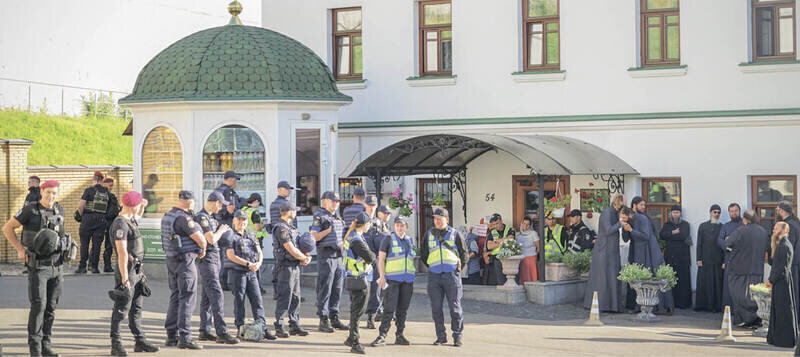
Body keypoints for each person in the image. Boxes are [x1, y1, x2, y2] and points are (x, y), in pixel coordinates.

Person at [2, 180, 69, 356]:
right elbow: (8, 228)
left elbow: (59, 235)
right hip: (38, 266)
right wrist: (19, 249)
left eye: (54, 193)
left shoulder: (59, 209)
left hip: (57, 266)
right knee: (39, 306)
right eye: (48, 192)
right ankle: (35, 350)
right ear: (42, 191)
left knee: (51, 308)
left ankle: (46, 346)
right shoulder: (30, 209)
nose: (51, 196)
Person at [108, 191, 160, 356]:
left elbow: (137, 214)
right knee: (121, 309)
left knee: (136, 308)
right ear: (133, 206)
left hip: (136, 270)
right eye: (138, 205)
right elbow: (122, 252)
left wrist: (142, 205)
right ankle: (116, 344)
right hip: (127, 271)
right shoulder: (120, 224)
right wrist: (125, 279)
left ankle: (140, 340)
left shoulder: (130, 219)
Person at [161, 190, 207, 349]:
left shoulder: (168, 215)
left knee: (175, 296)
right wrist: (203, 248)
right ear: (189, 202)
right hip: (185, 261)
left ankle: (171, 336)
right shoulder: (183, 218)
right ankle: (185, 337)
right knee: (187, 298)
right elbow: (200, 239)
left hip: (171, 260)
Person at [226, 209, 279, 341]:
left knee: (257, 300)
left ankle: (262, 327)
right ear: (234, 221)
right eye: (239, 220)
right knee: (239, 301)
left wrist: (259, 263)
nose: (242, 222)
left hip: (252, 272)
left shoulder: (251, 234)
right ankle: (240, 328)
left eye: (244, 220)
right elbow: (231, 255)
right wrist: (248, 264)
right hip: (238, 272)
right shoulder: (230, 235)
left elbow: (259, 251)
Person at [194, 192, 238, 344]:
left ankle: (204, 330)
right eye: (220, 205)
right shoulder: (202, 217)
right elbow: (211, 239)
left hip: (215, 258)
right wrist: (222, 231)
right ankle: (222, 332)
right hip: (207, 260)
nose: (221, 208)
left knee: (207, 296)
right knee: (217, 294)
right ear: (215, 202)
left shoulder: (211, 218)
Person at [420, 208, 468, 347]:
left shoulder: (455, 234)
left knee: (455, 308)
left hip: (451, 275)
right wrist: (433, 266)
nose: (437, 221)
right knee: (436, 308)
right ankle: (441, 336)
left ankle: (457, 336)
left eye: (439, 219)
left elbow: (464, 254)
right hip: (434, 276)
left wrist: (455, 269)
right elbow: (424, 254)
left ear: (447, 219)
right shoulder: (428, 234)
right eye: (435, 219)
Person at [371, 216, 415, 347]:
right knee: (389, 309)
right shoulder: (388, 239)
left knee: (402, 310)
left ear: (406, 227)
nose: (399, 228)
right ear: (394, 226)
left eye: (402, 226)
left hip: (407, 281)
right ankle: (382, 335)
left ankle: (400, 335)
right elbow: (381, 259)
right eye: (397, 225)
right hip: (392, 280)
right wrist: (382, 276)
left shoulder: (410, 240)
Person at [310, 191, 348, 333]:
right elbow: (314, 236)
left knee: (337, 289)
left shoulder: (336, 216)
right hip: (326, 256)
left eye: (337, 201)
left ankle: (334, 316)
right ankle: (323, 319)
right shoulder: (319, 216)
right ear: (324, 201)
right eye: (333, 201)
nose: (336, 203)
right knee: (325, 289)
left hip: (338, 256)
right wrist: (328, 231)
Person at [272, 201, 311, 339]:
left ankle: (294, 324)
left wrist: (306, 256)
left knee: (295, 297)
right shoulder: (281, 228)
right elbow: (290, 248)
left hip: (294, 265)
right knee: (285, 296)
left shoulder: (291, 228)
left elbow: (298, 245)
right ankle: (279, 326)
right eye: (294, 210)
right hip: (285, 267)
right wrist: (304, 258)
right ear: (289, 212)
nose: (296, 213)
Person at [725, 209, 770, 328]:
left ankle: (744, 319)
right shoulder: (763, 231)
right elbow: (767, 247)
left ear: (745, 219)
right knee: (755, 296)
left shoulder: (741, 230)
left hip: (739, 268)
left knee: (739, 295)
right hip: (757, 269)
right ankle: (756, 319)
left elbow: (728, 243)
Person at [629, 196, 674, 314]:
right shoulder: (639, 217)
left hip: (647, 250)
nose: (643, 207)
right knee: (653, 275)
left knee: (649, 275)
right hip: (647, 249)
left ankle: (654, 306)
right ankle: (660, 306)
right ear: (634, 205)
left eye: (644, 205)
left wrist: (630, 230)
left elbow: (645, 235)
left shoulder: (641, 217)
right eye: (641, 205)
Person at [583, 194, 626, 312]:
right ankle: (602, 305)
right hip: (604, 250)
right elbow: (608, 230)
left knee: (612, 276)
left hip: (611, 250)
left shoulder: (615, 213)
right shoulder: (607, 212)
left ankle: (612, 305)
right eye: (624, 202)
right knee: (603, 278)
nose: (625, 205)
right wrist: (620, 223)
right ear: (619, 202)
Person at [342, 212, 376, 354]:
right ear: (365, 224)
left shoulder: (352, 236)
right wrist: (370, 255)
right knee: (357, 312)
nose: (370, 226)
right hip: (359, 279)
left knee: (355, 310)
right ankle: (355, 343)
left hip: (355, 277)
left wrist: (368, 256)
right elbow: (371, 257)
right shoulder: (356, 240)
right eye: (369, 223)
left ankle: (351, 338)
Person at [766, 221, 797, 348]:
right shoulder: (780, 245)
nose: (773, 230)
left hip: (782, 283)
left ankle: (785, 340)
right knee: (777, 310)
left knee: (783, 310)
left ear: (784, 230)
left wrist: (771, 280)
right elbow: (774, 263)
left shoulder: (785, 246)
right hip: (779, 282)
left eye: (776, 228)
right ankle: (776, 338)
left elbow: (782, 268)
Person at [76, 171, 113, 274]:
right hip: (101, 220)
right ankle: (94, 267)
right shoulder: (107, 193)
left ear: (94, 179)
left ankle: (82, 267)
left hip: (87, 219)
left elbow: (80, 206)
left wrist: (82, 216)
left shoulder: (89, 190)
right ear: (102, 180)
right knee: (97, 245)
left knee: (84, 244)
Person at [659, 205, 693, 309]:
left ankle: (683, 304)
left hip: (683, 258)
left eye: (677, 212)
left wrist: (670, 236)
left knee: (683, 281)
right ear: (671, 214)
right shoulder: (667, 225)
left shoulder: (685, 224)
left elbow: (683, 235)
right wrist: (673, 232)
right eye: (674, 213)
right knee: (671, 280)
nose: (675, 215)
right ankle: (671, 303)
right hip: (670, 257)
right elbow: (662, 235)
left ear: (680, 214)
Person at [269, 180, 297, 299]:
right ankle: (286, 292)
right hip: (285, 234)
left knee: (278, 265)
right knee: (284, 267)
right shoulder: (285, 204)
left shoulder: (273, 204)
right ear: (280, 189)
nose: (289, 191)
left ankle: (278, 291)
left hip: (277, 236)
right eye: (287, 189)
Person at [695, 204, 724, 312]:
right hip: (705, 260)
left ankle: (716, 306)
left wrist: (724, 261)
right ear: (710, 213)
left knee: (717, 284)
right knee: (705, 283)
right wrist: (698, 259)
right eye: (715, 212)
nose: (716, 214)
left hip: (717, 260)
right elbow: (699, 243)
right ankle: (703, 306)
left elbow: (724, 245)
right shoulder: (703, 226)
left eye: (718, 212)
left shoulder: (722, 227)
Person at [365, 200, 389, 329]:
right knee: (370, 290)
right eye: (370, 205)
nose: (372, 207)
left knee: (379, 288)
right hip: (366, 260)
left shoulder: (380, 224)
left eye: (374, 205)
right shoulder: (363, 220)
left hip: (378, 260)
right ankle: (371, 315)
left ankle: (376, 312)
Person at [215, 170, 241, 291]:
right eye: (235, 181)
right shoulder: (226, 192)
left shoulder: (219, 190)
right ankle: (222, 282)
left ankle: (222, 281)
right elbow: (229, 210)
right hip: (226, 224)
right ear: (230, 180)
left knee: (223, 253)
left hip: (221, 225)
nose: (236, 183)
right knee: (226, 253)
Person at [717, 203, 743, 309]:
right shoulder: (726, 226)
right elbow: (719, 240)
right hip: (729, 258)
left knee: (740, 284)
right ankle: (728, 308)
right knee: (728, 284)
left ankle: (740, 308)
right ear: (729, 213)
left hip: (742, 259)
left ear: (739, 211)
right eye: (731, 211)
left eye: (736, 211)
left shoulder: (745, 224)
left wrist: (730, 240)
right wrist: (727, 247)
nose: (734, 213)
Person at [777, 200, 800, 316]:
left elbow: (788, 247)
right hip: (796, 262)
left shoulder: (788, 225)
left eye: (777, 210)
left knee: (792, 293)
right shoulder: (796, 223)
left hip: (792, 264)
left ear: (781, 211)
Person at [241, 193, 267, 293]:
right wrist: (263, 224)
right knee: (256, 264)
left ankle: (247, 287)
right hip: (255, 240)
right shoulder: (254, 212)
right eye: (258, 204)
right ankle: (257, 287)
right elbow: (257, 227)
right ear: (256, 202)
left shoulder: (243, 210)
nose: (258, 206)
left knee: (247, 263)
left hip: (245, 239)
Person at [485, 213, 514, 286]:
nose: (495, 226)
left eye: (497, 223)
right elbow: (489, 246)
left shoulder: (510, 229)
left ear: (501, 221)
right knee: (500, 282)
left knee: (510, 283)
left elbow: (510, 240)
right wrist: (503, 242)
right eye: (494, 224)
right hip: (496, 260)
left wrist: (496, 241)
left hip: (509, 259)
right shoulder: (492, 231)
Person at [101, 178, 121, 273]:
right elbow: (113, 211)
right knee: (109, 245)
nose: (112, 187)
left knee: (97, 244)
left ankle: (92, 265)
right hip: (109, 222)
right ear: (104, 184)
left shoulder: (98, 195)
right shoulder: (111, 196)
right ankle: (107, 266)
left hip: (99, 222)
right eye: (110, 185)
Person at [517, 216, 539, 283]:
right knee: (523, 277)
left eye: (528, 224)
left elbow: (538, 247)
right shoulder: (517, 234)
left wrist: (536, 256)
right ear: (521, 224)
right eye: (524, 223)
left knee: (532, 277)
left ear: (530, 225)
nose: (525, 226)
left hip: (531, 258)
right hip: (521, 259)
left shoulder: (533, 233)